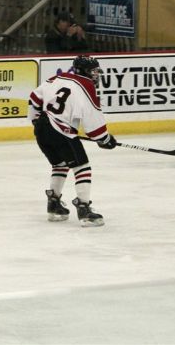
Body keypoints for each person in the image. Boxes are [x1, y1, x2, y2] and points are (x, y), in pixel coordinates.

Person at [27, 55, 117, 227]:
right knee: (82, 166)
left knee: (60, 164)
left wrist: (36, 120)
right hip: (61, 131)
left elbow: (34, 98)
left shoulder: (57, 78)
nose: (96, 75)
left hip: (41, 128)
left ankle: (54, 205)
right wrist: (105, 139)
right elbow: (94, 124)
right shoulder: (86, 86)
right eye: (93, 71)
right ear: (84, 71)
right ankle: (84, 209)